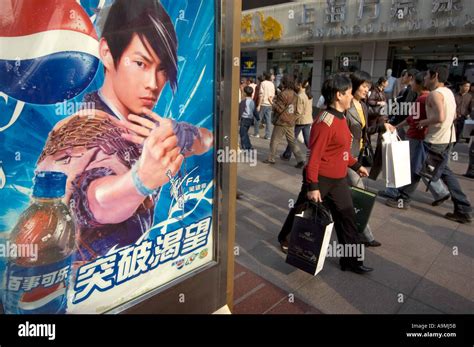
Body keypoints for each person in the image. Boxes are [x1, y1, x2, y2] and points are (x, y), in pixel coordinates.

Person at [36, 0, 214, 262]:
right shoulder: (80, 129)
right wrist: (138, 182)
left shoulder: (149, 125)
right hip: (78, 287)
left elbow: (207, 139)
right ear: (107, 54)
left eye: (162, 70)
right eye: (141, 63)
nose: (153, 84)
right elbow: (94, 199)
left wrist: (182, 134)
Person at [278, 73, 373, 274]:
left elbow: (341, 151)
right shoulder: (325, 121)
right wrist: (312, 186)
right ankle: (285, 237)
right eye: (348, 93)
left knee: (347, 218)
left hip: (338, 180)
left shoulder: (341, 118)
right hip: (319, 179)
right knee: (301, 211)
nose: (351, 96)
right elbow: (314, 156)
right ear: (339, 95)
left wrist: (356, 166)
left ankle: (351, 261)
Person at [385, 65, 472, 224]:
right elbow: (453, 116)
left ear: (435, 76)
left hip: (434, 141)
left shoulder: (435, 94)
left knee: (418, 169)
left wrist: (423, 122)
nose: (424, 80)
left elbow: (440, 116)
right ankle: (463, 208)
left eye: (426, 76)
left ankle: (404, 200)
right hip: (446, 139)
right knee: (440, 172)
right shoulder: (449, 93)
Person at [383, 71, 450, 207]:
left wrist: (397, 126)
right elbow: (411, 118)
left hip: (416, 137)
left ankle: (402, 196)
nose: (411, 83)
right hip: (419, 137)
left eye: (414, 81)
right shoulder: (425, 97)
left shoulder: (422, 99)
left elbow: (412, 119)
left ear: (419, 84)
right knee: (419, 168)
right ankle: (439, 192)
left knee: (413, 169)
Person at [346, 71, 393, 247]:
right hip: (346, 157)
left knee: (338, 196)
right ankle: (365, 235)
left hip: (357, 154)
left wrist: (382, 127)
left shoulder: (363, 106)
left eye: (368, 86)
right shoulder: (344, 105)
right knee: (359, 194)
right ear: (354, 85)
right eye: (364, 86)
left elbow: (365, 132)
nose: (367, 90)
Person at [263, 76, 305, 168]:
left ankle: (271, 158)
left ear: (284, 83)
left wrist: (272, 102)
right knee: (292, 141)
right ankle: (300, 159)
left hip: (281, 122)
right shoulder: (295, 94)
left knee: (274, 140)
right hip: (290, 121)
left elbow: (279, 109)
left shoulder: (283, 94)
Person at [280, 78, 312, 160]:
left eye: (297, 84)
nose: (296, 86)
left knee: (292, 139)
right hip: (308, 120)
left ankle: (287, 155)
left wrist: (292, 119)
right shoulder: (309, 95)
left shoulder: (300, 96)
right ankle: (314, 153)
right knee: (307, 140)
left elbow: (299, 112)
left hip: (300, 121)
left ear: (300, 85)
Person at [257, 72, 276, 140]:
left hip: (263, 103)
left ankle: (256, 133)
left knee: (258, 118)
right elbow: (273, 95)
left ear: (265, 76)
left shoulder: (263, 83)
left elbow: (261, 94)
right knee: (268, 120)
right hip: (269, 104)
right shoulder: (272, 84)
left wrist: (259, 105)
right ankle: (268, 135)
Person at [239, 86, 256, 150]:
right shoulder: (252, 101)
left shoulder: (243, 101)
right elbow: (255, 111)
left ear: (244, 93)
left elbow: (241, 110)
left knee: (242, 133)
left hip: (244, 119)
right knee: (245, 133)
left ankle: (245, 147)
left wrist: (238, 118)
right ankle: (249, 146)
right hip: (250, 119)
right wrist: (257, 118)